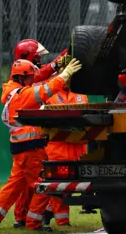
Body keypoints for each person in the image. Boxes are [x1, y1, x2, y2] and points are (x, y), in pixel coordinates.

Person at [0, 58, 82, 232]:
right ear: (21, 77)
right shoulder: (22, 94)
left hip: (21, 149)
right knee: (45, 184)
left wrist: (56, 65)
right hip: (31, 148)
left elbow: (40, 83)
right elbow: (44, 90)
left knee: (12, 188)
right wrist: (64, 75)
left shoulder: (13, 90)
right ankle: (33, 223)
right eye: (30, 76)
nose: (33, 79)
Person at [8, 40, 70, 228]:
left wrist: (63, 58)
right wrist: (60, 63)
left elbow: (43, 73)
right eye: (37, 56)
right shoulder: (24, 83)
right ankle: (29, 220)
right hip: (30, 142)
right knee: (39, 183)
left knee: (23, 185)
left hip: (28, 142)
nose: (40, 59)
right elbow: (43, 78)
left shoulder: (23, 80)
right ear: (28, 58)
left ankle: (21, 218)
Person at [41, 74, 89, 228]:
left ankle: (47, 212)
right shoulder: (50, 95)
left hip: (78, 150)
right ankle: (62, 221)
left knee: (69, 189)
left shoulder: (81, 95)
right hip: (58, 150)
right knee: (58, 187)